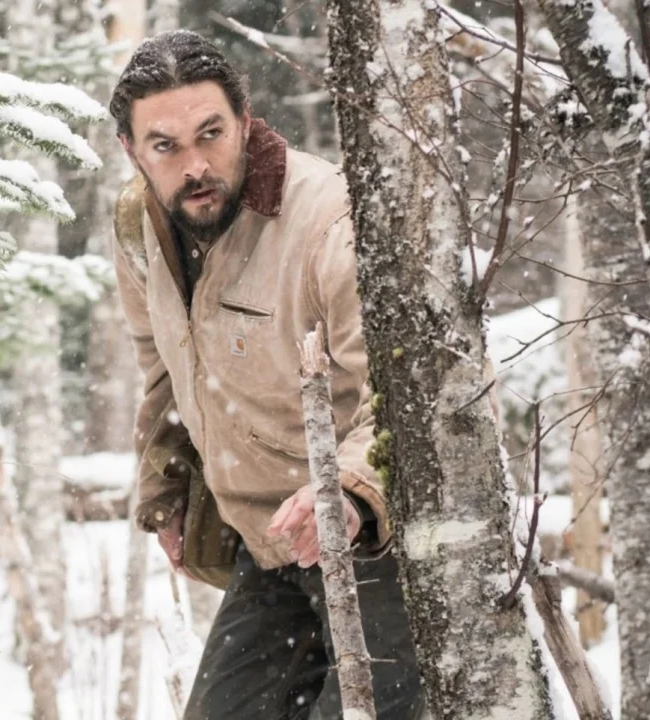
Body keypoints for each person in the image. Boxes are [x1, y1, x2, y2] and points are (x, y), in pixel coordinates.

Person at [107, 29, 426, 719]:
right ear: (131, 151)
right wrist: (166, 486)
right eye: (165, 146)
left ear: (246, 120)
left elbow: (408, 394)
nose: (196, 165)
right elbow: (160, 358)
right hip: (270, 542)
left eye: (211, 133)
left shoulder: (329, 220)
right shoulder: (139, 224)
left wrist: (350, 491)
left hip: (377, 542)